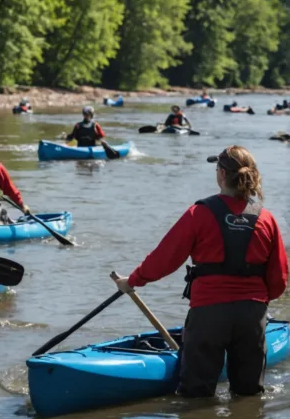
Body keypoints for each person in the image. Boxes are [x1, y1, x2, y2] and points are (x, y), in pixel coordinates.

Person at [113, 146, 287, 398]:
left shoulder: (199, 213)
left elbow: (165, 258)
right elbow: (279, 276)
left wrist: (134, 280)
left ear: (222, 175)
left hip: (209, 312)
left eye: (217, 168)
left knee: (196, 396)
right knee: (249, 395)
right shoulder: (266, 219)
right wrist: (255, 301)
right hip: (253, 313)